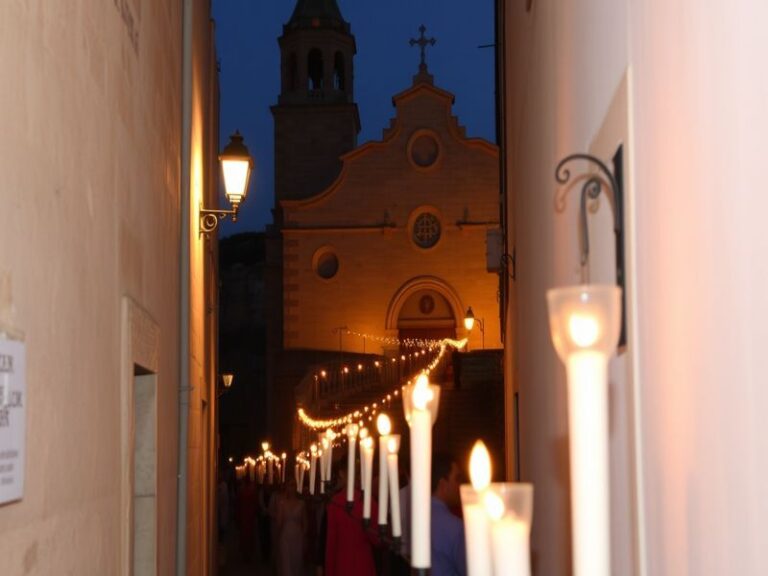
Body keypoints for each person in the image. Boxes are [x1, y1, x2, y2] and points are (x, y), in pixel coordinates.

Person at [325, 468, 379, 576]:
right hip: (362, 564)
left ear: (342, 474)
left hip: (344, 565)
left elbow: (331, 544)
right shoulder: (368, 501)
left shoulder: (335, 502)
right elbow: (378, 540)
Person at [430, 453, 467, 576]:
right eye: (457, 479)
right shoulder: (454, 526)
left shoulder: (417, 516)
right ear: (442, 484)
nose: (460, 486)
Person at [277, 477, 307, 576]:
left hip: (298, 537)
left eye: (294, 485)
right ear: (287, 488)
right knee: (286, 564)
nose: (292, 488)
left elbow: (305, 522)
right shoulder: (282, 503)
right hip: (285, 537)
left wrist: (304, 536)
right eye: (290, 485)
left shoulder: (301, 504)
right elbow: (279, 522)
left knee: (296, 563)